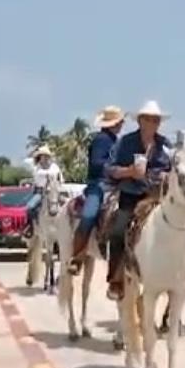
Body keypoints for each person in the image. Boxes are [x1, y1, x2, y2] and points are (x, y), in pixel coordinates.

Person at [105, 100, 185, 300]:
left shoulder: (165, 145)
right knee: (118, 230)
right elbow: (109, 169)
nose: (154, 123)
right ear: (141, 121)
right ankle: (116, 279)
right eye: (150, 119)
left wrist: (166, 175)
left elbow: (175, 169)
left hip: (158, 197)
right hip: (132, 196)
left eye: (157, 120)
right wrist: (129, 171)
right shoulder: (125, 143)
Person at [67, 105, 125, 275]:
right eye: (120, 121)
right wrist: (114, 168)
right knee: (89, 215)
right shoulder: (101, 140)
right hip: (99, 183)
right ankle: (76, 256)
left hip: (117, 183)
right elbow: (96, 163)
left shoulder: (117, 141)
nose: (122, 124)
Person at [23, 144, 62, 239]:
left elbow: (60, 178)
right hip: (40, 192)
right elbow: (38, 179)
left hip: (55, 191)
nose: (44, 158)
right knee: (30, 207)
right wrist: (49, 175)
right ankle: (31, 227)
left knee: (67, 205)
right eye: (42, 156)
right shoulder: (37, 168)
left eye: (45, 156)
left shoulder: (55, 167)